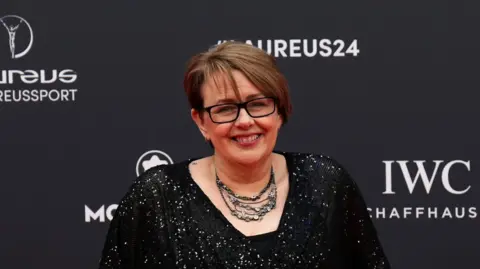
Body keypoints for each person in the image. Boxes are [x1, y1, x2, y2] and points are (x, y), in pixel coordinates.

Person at [98, 41, 391, 269]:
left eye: (258, 104)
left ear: (279, 110)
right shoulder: (156, 197)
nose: (245, 121)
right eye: (225, 109)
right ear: (201, 121)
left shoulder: (325, 183)